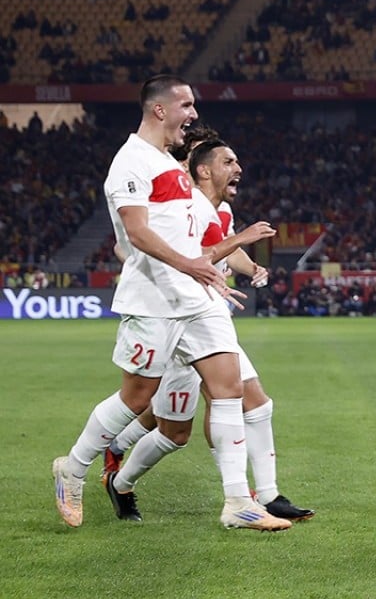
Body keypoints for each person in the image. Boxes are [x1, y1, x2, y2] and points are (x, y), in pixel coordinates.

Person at [52, 75, 289, 531]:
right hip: (153, 299)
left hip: (196, 298)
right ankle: (75, 467)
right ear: (160, 110)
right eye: (187, 105)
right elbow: (138, 233)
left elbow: (196, 231)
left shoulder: (169, 165)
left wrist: (211, 263)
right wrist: (193, 264)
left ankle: (238, 502)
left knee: (229, 389)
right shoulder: (131, 163)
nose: (194, 114)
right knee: (136, 396)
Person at [103, 136, 314, 524]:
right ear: (201, 167)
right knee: (172, 434)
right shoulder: (180, 206)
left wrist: (251, 268)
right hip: (176, 318)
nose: (236, 169)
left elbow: (223, 250)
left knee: (250, 401)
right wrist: (239, 241)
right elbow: (177, 253)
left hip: (209, 316)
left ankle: (260, 497)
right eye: (227, 161)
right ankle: (120, 480)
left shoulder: (219, 209)